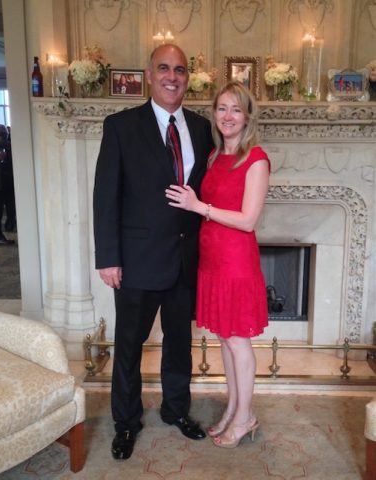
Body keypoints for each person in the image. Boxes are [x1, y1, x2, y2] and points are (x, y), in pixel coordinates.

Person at [93, 44, 214, 461]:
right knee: (129, 345)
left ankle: (176, 411)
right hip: (136, 260)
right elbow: (105, 196)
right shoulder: (121, 126)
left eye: (180, 69)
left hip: (184, 260)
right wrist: (108, 257)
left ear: (187, 77)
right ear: (149, 74)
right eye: (164, 68)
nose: (172, 76)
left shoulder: (201, 128)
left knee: (179, 342)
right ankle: (126, 423)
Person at [165, 81, 270, 449]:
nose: (228, 116)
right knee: (226, 340)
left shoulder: (255, 159)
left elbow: (248, 220)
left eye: (236, 109)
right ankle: (233, 410)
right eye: (222, 108)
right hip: (211, 260)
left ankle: (245, 416)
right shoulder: (212, 156)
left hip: (236, 262)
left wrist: (200, 208)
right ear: (215, 113)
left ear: (247, 116)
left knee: (238, 342)